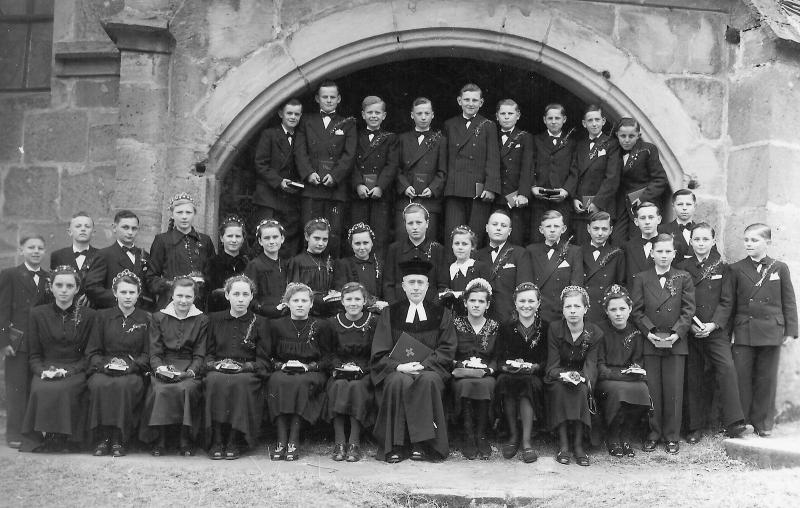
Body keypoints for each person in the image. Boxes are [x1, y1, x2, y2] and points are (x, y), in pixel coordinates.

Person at [370, 258, 457, 463]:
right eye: (411, 282)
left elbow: (447, 349)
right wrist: (399, 366)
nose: (416, 287)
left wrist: (423, 365)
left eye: (420, 282)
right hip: (398, 370)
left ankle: (424, 445)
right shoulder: (390, 313)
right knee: (397, 381)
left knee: (427, 380)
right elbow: (380, 351)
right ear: (403, 286)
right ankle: (396, 445)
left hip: (430, 370)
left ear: (427, 286)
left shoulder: (442, 314)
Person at [721, 223, 797, 437]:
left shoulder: (779, 267)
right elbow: (729, 304)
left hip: (772, 330)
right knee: (741, 378)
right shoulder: (735, 269)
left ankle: (763, 423)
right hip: (744, 330)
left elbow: (789, 301)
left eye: (754, 240)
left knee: (767, 378)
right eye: (746, 240)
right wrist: (727, 334)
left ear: (767, 242)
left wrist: (790, 331)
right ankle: (742, 422)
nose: (749, 244)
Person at [677, 223, 746, 442]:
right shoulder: (681, 267)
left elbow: (727, 301)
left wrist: (714, 325)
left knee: (727, 368)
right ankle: (695, 427)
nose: (701, 243)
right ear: (691, 241)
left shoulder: (723, 267)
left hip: (715, 331)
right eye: (697, 239)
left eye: (705, 239)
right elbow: (679, 300)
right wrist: (690, 326)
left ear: (713, 241)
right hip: (691, 330)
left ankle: (734, 422)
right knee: (694, 375)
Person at [631, 233, 695, 454]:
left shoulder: (683, 277)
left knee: (674, 390)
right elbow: (637, 310)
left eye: (668, 251)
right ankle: (654, 433)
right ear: (652, 253)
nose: (664, 255)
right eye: (659, 251)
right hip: (651, 341)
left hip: (676, 342)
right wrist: (649, 332)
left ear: (674, 254)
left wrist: (677, 333)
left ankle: (672, 436)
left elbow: (688, 310)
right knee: (653, 390)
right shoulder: (641, 278)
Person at [21, 265, 96, 452]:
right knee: (41, 387)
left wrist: (69, 371)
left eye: (69, 286)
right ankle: (47, 437)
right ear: (51, 287)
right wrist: (42, 371)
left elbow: (89, 355)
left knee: (64, 388)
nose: (64, 290)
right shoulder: (37, 314)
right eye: (59, 285)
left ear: (77, 289)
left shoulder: (89, 316)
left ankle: (65, 439)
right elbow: (34, 355)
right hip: (47, 367)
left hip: (76, 368)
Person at [205, 275, 271, 460]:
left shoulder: (260, 322)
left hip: (248, 372)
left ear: (251, 297)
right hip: (218, 370)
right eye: (236, 294)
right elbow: (208, 353)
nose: (240, 299)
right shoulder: (214, 319)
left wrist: (245, 367)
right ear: (227, 295)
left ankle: (234, 439)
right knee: (214, 381)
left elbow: (264, 360)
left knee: (240, 383)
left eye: (245, 294)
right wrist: (215, 365)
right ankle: (217, 439)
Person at [266, 283, 334, 462]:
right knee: (277, 381)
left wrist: (308, 367)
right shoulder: (275, 325)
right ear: (287, 303)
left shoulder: (321, 325)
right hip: (283, 370)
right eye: (295, 300)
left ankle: (294, 440)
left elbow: (328, 358)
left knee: (300, 383)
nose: (300, 304)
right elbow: (268, 355)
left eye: (304, 301)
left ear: (311, 304)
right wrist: (281, 365)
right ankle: (281, 440)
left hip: (311, 372)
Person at [140, 277, 208, 456]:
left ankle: (185, 439)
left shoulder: (202, 320)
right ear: (172, 295)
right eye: (179, 296)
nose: (183, 301)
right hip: (164, 366)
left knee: (187, 388)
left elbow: (199, 354)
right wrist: (160, 369)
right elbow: (155, 352)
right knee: (160, 389)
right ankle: (160, 439)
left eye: (188, 296)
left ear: (195, 297)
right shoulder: (158, 317)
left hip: (188, 367)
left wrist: (190, 372)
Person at [86, 270, 150, 457]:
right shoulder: (102, 316)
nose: (127, 296)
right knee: (99, 384)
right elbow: (93, 351)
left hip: (132, 371)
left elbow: (147, 354)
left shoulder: (146, 318)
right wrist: (105, 366)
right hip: (105, 368)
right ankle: (102, 438)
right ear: (115, 293)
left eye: (132, 292)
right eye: (123, 292)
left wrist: (132, 366)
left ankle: (118, 438)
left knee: (123, 386)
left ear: (138, 294)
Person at [0, 235, 52, 448]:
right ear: (21, 250)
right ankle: (14, 433)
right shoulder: (10, 275)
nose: (36, 251)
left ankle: (33, 432)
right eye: (31, 247)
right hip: (18, 341)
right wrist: (4, 341)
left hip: (39, 342)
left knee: (34, 387)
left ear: (44, 251)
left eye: (40, 248)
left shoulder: (49, 278)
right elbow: (3, 309)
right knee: (16, 388)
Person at [295, 80, 357, 257]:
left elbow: (349, 154)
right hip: (312, 187)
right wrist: (309, 173)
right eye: (325, 97)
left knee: (334, 234)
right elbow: (300, 150)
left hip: (335, 189)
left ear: (339, 99)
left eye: (332, 97)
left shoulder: (348, 123)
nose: (329, 100)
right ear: (317, 98)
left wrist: (335, 176)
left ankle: (331, 270)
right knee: (309, 231)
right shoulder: (306, 121)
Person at [545, 286, 601, 467]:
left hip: (582, 377)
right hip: (559, 376)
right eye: (568, 306)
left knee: (581, 390)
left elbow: (591, 364)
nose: (573, 311)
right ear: (563, 310)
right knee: (560, 389)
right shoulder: (555, 329)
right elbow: (552, 365)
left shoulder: (595, 332)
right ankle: (563, 445)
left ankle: (578, 445)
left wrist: (580, 377)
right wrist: (564, 375)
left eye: (577, 306)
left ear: (586, 309)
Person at [596, 284, 650, 458]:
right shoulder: (599, 330)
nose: (618, 313)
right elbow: (600, 366)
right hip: (607, 379)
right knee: (618, 390)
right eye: (613, 309)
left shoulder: (636, 332)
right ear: (606, 311)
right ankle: (612, 436)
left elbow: (637, 363)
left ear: (630, 309)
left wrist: (634, 371)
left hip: (628, 377)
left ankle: (626, 435)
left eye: (622, 308)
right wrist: (621, 376)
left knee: (642, 389)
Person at [326, 282, 378, 462]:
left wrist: (362, 369)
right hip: (340, 370)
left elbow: (378, 352)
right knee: (338, 386)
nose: (353, 303)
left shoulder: (374, 321)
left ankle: (354, 442)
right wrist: (340, 367)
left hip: (365, 371)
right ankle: (339, 441)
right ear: (342, 301)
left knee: (357, 387)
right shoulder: (333, 323)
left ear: (364, 301)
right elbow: (329, 352)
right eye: (349, 299)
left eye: (357, 299)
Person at [496, 283, 547, 463]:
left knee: (528, 383)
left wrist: (535, 367)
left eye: (531, 301)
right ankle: (513, 435)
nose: (526, 305)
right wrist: (507, 367)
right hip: (510, 374)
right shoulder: (506, 327)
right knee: (506, 381)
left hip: (534, 376)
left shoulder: (545, 328)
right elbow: (499, 358)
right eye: (522, 301)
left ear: (538, 303)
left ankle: (526, 441)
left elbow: (548, 359)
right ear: (515, 304)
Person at [443, 83, 500, 239]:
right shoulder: (449, 124)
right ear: (459, 101)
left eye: (474, 100)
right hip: (455, 188)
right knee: (453, 235)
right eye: (466, 99)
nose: (470, 103)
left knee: (475, 236)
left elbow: (493, 158)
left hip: (479, 190)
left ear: (481, 102)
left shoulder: (488, 125)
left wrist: (490, 187)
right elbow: (444, 158)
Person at [450, 278, 499, 460]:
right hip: (461, 373)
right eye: (472, 300)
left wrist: (490, 370)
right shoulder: (455, 324)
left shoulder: (494, 326)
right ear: (465, 303)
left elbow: (497, 356)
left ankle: (481, 434)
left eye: (481, 301)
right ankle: (468, 435)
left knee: (486, 385)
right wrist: (459, 365)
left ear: (487, 305)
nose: (476, 305)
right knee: (465, 385)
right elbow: (448, 351)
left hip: (485, 374)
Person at [253, 98, 303, 257]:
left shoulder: (301, 137)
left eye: (297, 114)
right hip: (269, 197)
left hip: (290, 199)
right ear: (281, 114)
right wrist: (279, 181)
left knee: (288, 242)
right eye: (289, 113)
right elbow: (260, 164)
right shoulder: (269, 134)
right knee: (267, 238)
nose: (293, 117)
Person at [148, 192, 216, 310]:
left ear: (194, 214)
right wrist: (172, 284)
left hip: (198, 305)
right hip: (170, 305)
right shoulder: (162, 240)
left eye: (188, 212)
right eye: (179, 212)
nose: (184, 217)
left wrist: (202, 282)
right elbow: (151, 278)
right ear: (172, 214)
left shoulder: (205, 241)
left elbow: (212, 274)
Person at [350, 96, 399, 254]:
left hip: (381, 195)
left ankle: (378, 268)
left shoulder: (390, 138)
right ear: (363, 114)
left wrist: (380, 187)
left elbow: (392, 165)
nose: (373, 116)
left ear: (384, 115)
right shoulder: (355, 136)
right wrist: (358, 184)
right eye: (370, 112)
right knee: (358, 233)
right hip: (359, 194)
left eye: (377, 113)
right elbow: (351, 162)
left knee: (380, 235)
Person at [394, 97, 447, 241]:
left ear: (432, 115)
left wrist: (433, 188)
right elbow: (395, 167)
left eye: (427, 113)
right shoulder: (402, 139)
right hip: (406, 199)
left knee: (428, 244)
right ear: (412, 115)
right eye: (419, 113)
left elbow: (442, 170)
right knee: (403, 243)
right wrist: (404, 187)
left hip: (429, 201)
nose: (423, 117)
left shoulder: (441, 140)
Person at [84, 210, 155, 311]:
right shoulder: (104, 255)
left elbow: (150, 287)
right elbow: (92, 288)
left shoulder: (145, 256)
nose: (130, 232)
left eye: (134, 228)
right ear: (114, 228)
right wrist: (121, 298)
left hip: (140, 313)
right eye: (125, 227)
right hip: (112, 313)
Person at [569, 105, 620, 246]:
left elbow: (612, 178)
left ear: (603, 121)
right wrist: (574, 198)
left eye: (597, 120)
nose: (594, 124)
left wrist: (597, 203)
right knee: (581, 248)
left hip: (603, 206)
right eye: (590, 120)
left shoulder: (612, 144)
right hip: (582, 207)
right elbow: (574, 172)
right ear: (584, 123)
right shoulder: (580, 145)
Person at [527, 210, 583, 337]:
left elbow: (576, 285)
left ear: (563, 229)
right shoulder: (531, 250)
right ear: (541, 229)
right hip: (537, 312)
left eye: (556, 226)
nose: (552, 230)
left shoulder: (574, 252)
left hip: (561, 313)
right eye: (548, 226)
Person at [612, 117, 669, 242]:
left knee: (639, 240)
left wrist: (643, 198)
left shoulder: (648, 150)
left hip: (642, 205)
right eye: (623, 136)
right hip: (621, 206)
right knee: (617, 239)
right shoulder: (614, 151)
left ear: (639, 135)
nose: (627, 140)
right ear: (617, 135)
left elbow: (660, 179)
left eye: (631, 136)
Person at [530, 104, 577, 243]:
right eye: (550, 118)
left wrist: (566, 190)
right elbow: (529, 166)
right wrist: (533, 186)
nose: (554, 121)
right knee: (538, 238)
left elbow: (575, 169)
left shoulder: (572, 143)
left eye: (557, 118)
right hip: (540, 200)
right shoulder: (536, 140)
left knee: (561, 239)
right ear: (544, 120)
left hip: (561, 200)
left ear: (564, 119)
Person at [475, 210, 532, 322]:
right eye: (494, 224)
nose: (498, 228)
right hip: (481, 319)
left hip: (509, 319)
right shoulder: (477, 256)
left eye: (503, 225)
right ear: (487, 228)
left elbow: (524, 290)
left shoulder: (520, 254)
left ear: (509, 231)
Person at [383, 203, 447, 304]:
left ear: (427, 223)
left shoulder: (438, 250)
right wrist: (395, 308)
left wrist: (432, 308)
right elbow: (388, 285)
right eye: (410, 223)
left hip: (431, 308)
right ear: (405, 224)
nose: (415, 227)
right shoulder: (394, 249)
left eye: (418, 222)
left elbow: (443, 286)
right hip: (399, 307)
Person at [495, 99, 533, 246]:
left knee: (515, 237)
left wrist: (523, 193)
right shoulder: (492, 135)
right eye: (503, 113)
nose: (506, 117)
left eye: (510, 113)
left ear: (518, 116)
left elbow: (527, 167)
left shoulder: (525, 137)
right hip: (495, 194)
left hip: (515, 195)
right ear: (497, 116)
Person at [581, 212, 625, 325]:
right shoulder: (578, 251)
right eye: (596, 228)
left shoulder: (617, 254)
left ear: (611, 230)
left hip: (604, 312)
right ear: (588, 229)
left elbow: (620, 284)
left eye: (604, 229)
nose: (600, 233)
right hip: (583, 311)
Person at [288, 218, 337, 317]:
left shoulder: (328, 261)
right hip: (306, 311)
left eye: (325, 239)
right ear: (307, 236)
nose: (321, 243)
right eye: (316, 238)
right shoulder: (298, 261)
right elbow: (293, 290)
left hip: (327, 311)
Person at [50, 211, 99, 306]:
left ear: (93, 232)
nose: (83, 229)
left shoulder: (101, 255)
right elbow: (54, 283)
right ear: (69, 232)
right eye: (78, 226)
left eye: (87, 226)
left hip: (93, 307)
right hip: (65, 306)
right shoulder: (58, 255)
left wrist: (92, 295)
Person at [441, 225, 491, 315]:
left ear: (472, 246)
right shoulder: (450, 268)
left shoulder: (480, 267)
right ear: (452, 245)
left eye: (464, 244)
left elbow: (487, 295)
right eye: (457, 243)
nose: (460, 247)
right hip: (454, 316)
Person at [245, 219, 290, 319]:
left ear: (282, 239)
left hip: (285, 317)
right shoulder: (255, 265)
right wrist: (267, 310)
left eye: (275, 237)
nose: (271, 241)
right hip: (263, 318)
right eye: (267, 238)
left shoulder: (286, 264)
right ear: (260, 241)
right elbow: (249, 296)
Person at [333, 222, 386, 303]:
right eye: (357, 243)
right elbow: (341, 292)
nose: (362, 247)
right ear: (351, 244)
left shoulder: (379, 264)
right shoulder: (343, 265)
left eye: (365, 243)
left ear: (372, 243)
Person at [206, 215, 249, 313]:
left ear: (243, 239)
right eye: (230, 236)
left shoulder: (247, 264)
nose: (234, 240)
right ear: (222, 238)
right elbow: (209, 295)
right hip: (218, 314)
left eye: (238, 236)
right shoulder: (212, 263)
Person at [658, 189, 713, 261]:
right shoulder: (661, 230)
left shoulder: (705, 231)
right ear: (673, 206)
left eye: (688, 204)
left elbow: (714, 257)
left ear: (695, 206)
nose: (684, 208)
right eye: (680, 204)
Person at [623, 201, 660, 288]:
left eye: (651, 217)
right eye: (643, 218)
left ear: (659, 219)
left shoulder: (671, 245)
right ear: (636, 221)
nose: (647, 222)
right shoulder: (627, 247)